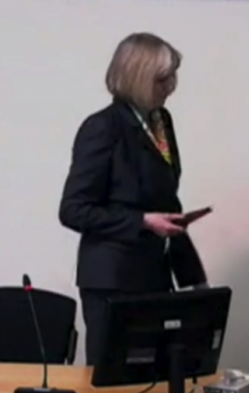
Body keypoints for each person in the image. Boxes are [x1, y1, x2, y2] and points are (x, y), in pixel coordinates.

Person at [58, 33, 208, 366]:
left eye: (172, 77)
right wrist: (141, 221)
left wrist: (193, 278)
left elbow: (168, 203)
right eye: (162, 79)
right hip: (112, 281)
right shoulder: (102, 128)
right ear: (138, 77)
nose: (171, 86)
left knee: (156, 375)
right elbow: (72, 210)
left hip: (153, 276)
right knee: (116, 379)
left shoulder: (160, 122)